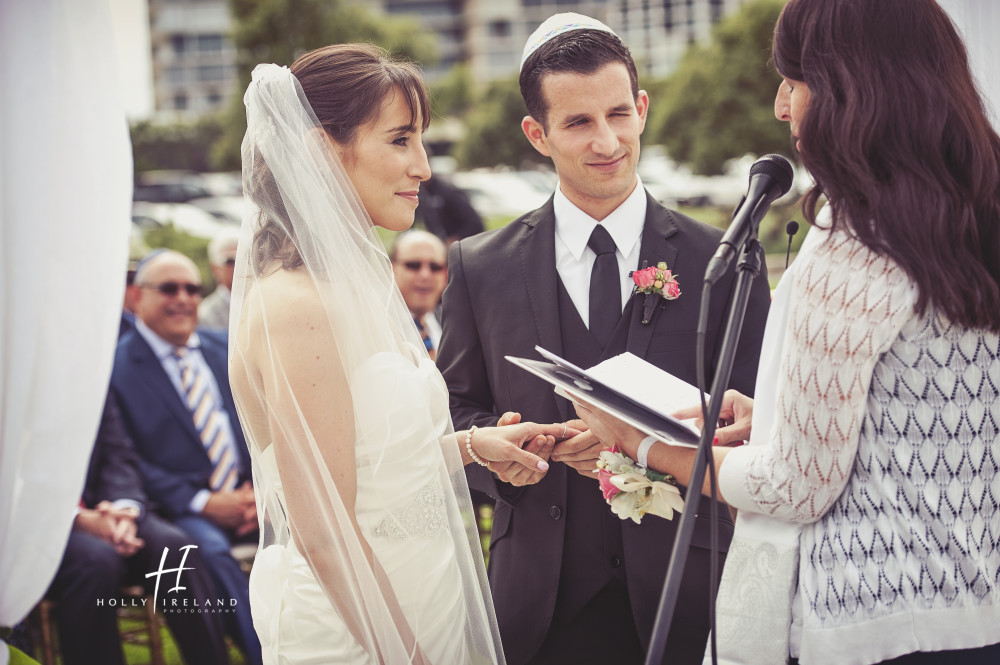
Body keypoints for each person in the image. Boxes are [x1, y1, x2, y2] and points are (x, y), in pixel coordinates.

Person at [573, 1, 1000, 663]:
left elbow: (796, 485)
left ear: (849, 91)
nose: (781, 106)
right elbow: (924, 408)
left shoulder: (857, 246)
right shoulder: (975, 217)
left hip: (867, 626)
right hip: (978, 612)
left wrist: (642, 440)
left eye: (793, 82)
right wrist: (774, 411)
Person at [435, 13, 771, 665]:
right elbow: (456, 411)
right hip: (538, 601)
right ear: (538, 133)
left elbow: (763, 418)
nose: (608, 140)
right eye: (579, 122)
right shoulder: (479, 266)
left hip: (690, 592)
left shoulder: (726, 262)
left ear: (642, 108)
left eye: (619, 114)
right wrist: (512, 448)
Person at [228, 44, 564, 664]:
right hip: (355, 625)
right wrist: (405, 655)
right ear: (322, 151)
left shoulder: (357, 283)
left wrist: (472, 447)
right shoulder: (293, 306)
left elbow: (368, 466)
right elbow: (325, 530)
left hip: (421, 586)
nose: (424, 167)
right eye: (400, 139)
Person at [110, 249, 262, 665]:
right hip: (183, 511)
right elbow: (127, 459)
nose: (184, 298)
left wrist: (256, 491)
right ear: (136, 297)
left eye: (193, 288)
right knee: (209, 553)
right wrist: (204, 503)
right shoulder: (118, 369)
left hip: (253, 498)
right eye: (169, 288)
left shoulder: (226, 349)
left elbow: (260, 424)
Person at [47, 394, 231, 665]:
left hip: (109, 507)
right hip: (43, 526)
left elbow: (118, 455)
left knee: (176, 548)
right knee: (96, 561)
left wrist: (125, 511)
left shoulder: (90, 374)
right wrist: (77, 518)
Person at [390, 229, 448, 359]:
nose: (425, 275)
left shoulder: (453, 325)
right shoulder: (375, 325)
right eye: (414, 265)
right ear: (392, 269)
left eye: (435, 267)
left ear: (445, 274)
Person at [199, 227, 241, 333]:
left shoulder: (264, 300)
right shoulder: (204, 314)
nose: (239, 265)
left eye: (244, 258)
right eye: (230, 260)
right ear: (215, 268)